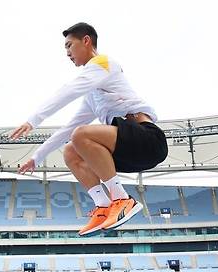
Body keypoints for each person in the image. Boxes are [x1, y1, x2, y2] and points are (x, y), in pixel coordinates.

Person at [10, 22, 168, 236]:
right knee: (71, 149)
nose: (67, 53)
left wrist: (33, 120)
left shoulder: (103, 62)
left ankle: (122, 199)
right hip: (128, 152)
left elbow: (69, 90)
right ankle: (103, 207)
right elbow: (68, 129)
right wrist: (37, 157)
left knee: (81, 135)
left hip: (148, 140)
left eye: (69, 45)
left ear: (86, 40)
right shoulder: (93, 95)